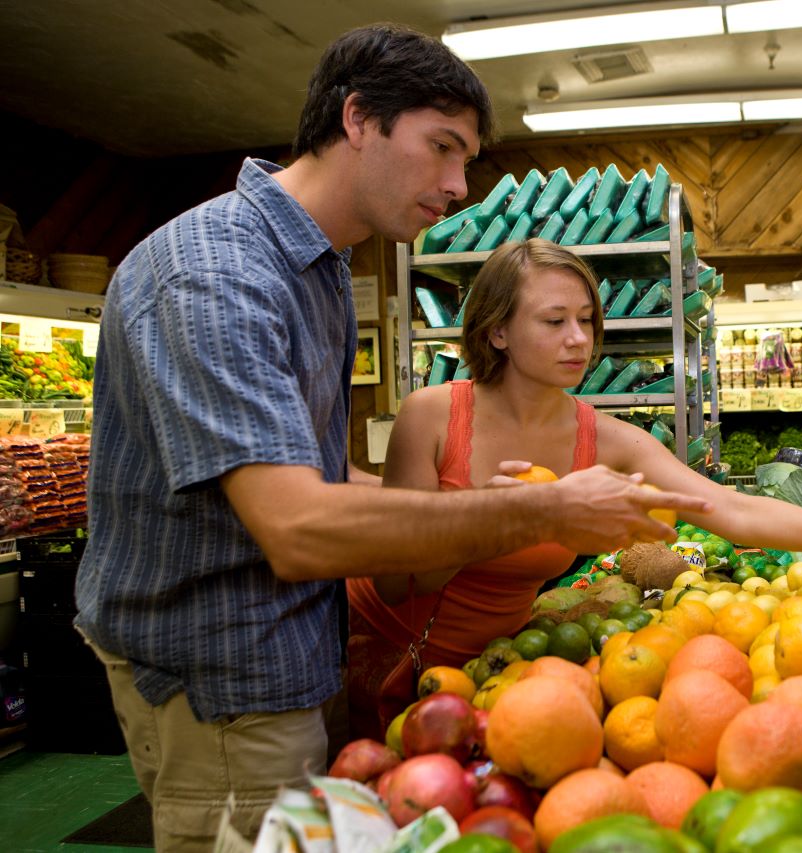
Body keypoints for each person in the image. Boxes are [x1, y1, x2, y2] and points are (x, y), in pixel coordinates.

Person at [72, 25, 708, 852]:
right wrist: (532, 512)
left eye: (467, 160)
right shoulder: (218, 274)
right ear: (359, 119)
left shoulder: (322, 266)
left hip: (297, 655)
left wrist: (452, 498)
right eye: (441, 149)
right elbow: (295, 525)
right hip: (224, 679)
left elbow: (313, 472)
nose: (457, 187)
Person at [346, 238, 802, 737]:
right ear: (497, 331)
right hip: (388, 656)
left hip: (503, 667)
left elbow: (733, 510)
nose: (579, 339)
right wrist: (500, 516)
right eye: (554, 321)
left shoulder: (605, 441)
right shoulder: (430, 417)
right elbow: (399, 581)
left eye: (586, 320)